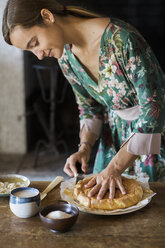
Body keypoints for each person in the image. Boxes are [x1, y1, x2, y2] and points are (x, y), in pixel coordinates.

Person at [2, 0, 165, 200]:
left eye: (35, 43)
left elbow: (154, 110)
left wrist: (114, 167)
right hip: (113, 141)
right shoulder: (66, 56)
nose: (39, 56)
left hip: (154, 139)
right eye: (31, 51)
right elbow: (90, 109)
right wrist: (84, 148)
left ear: (47, 16)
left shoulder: (122, 40)